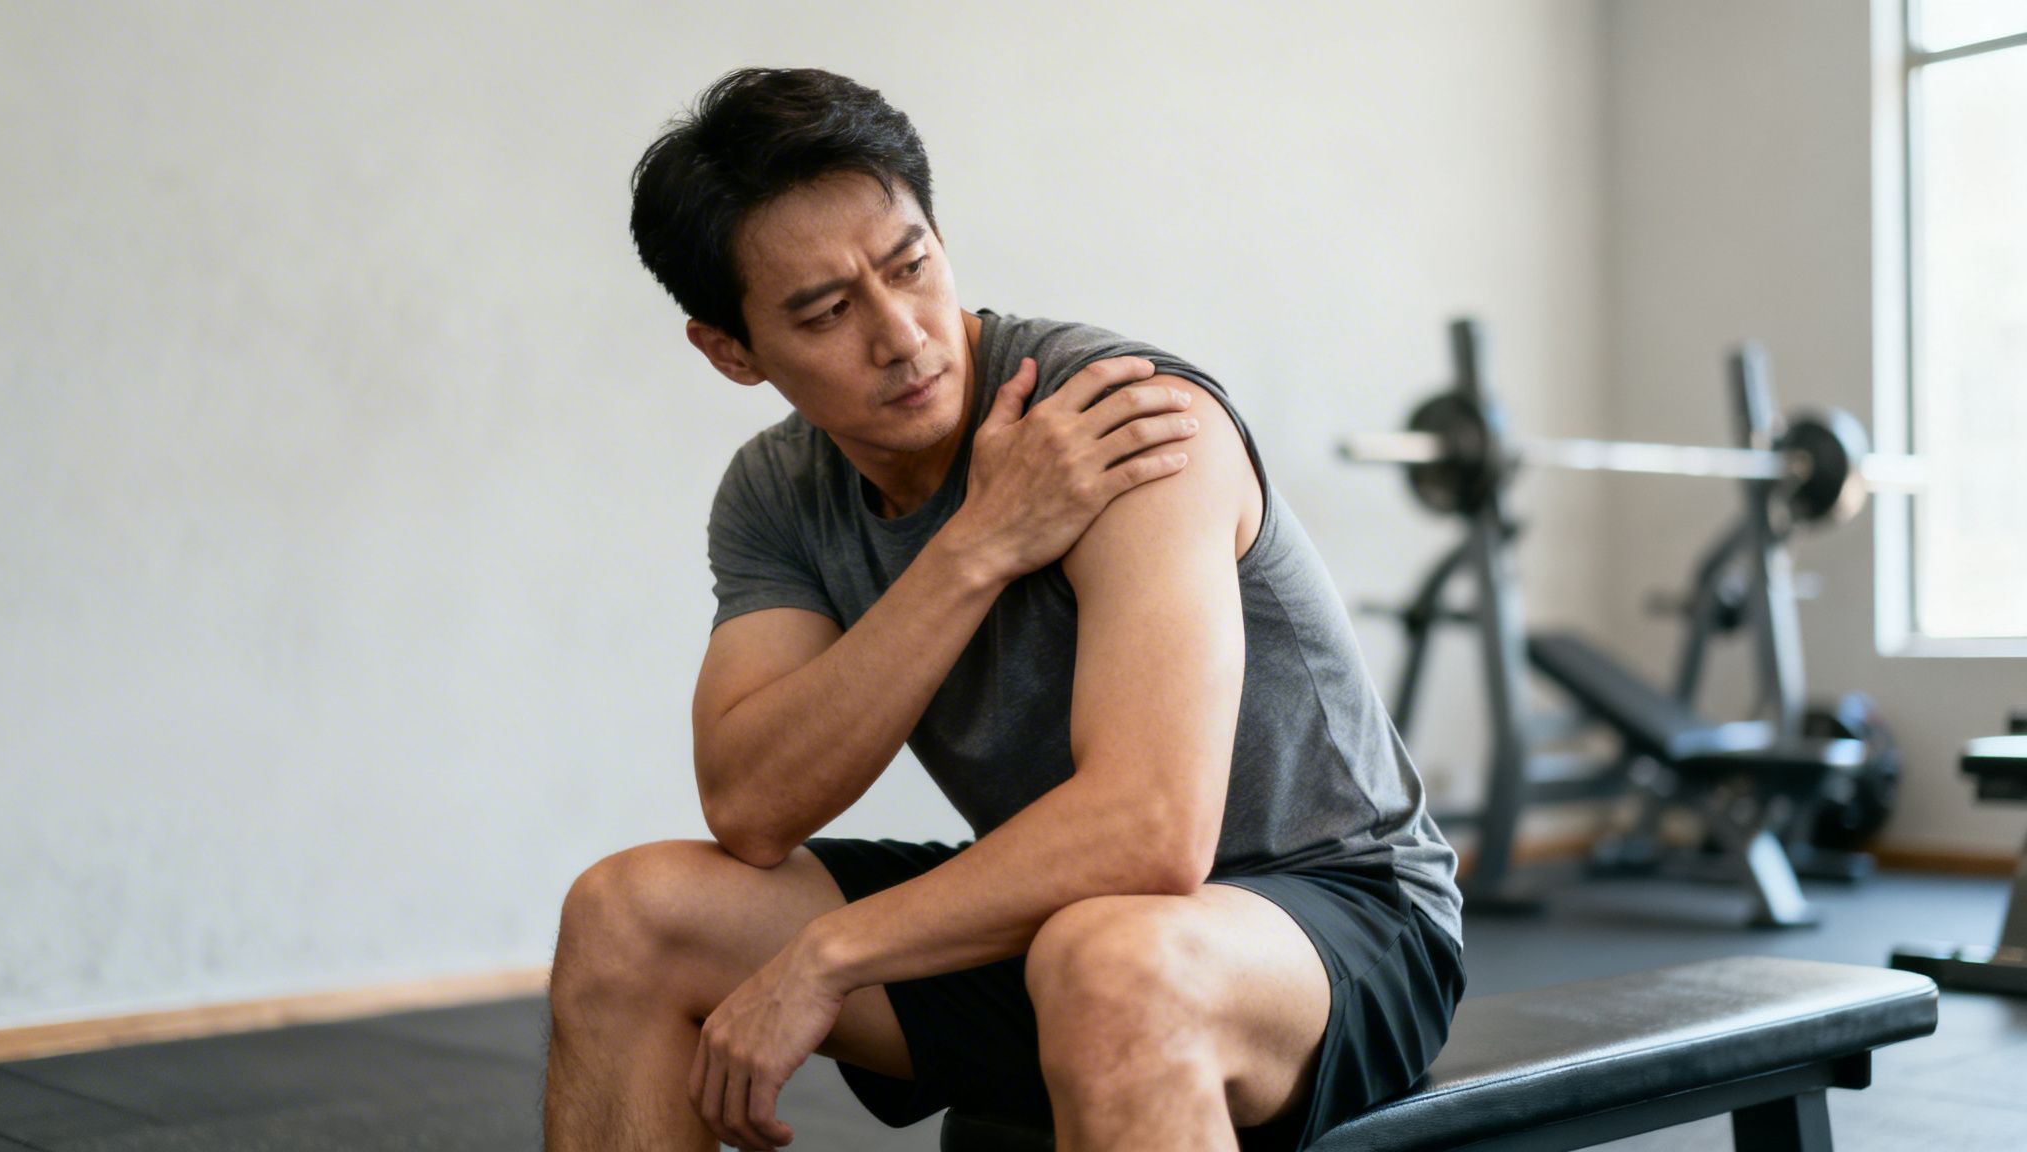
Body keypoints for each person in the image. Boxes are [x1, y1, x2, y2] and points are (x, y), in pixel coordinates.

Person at [544, 67, 1463, 1152]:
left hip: (1332, 922)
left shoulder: (1125, 421)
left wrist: (829, 955)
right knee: (628, 915)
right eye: (829, 312)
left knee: (1111, 961)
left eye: (910, 266)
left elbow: (1150, 832)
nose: (901, 337)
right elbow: (750, 804)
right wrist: (974, 548)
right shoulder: (778, 491)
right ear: (731, 350)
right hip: (1061, 922)